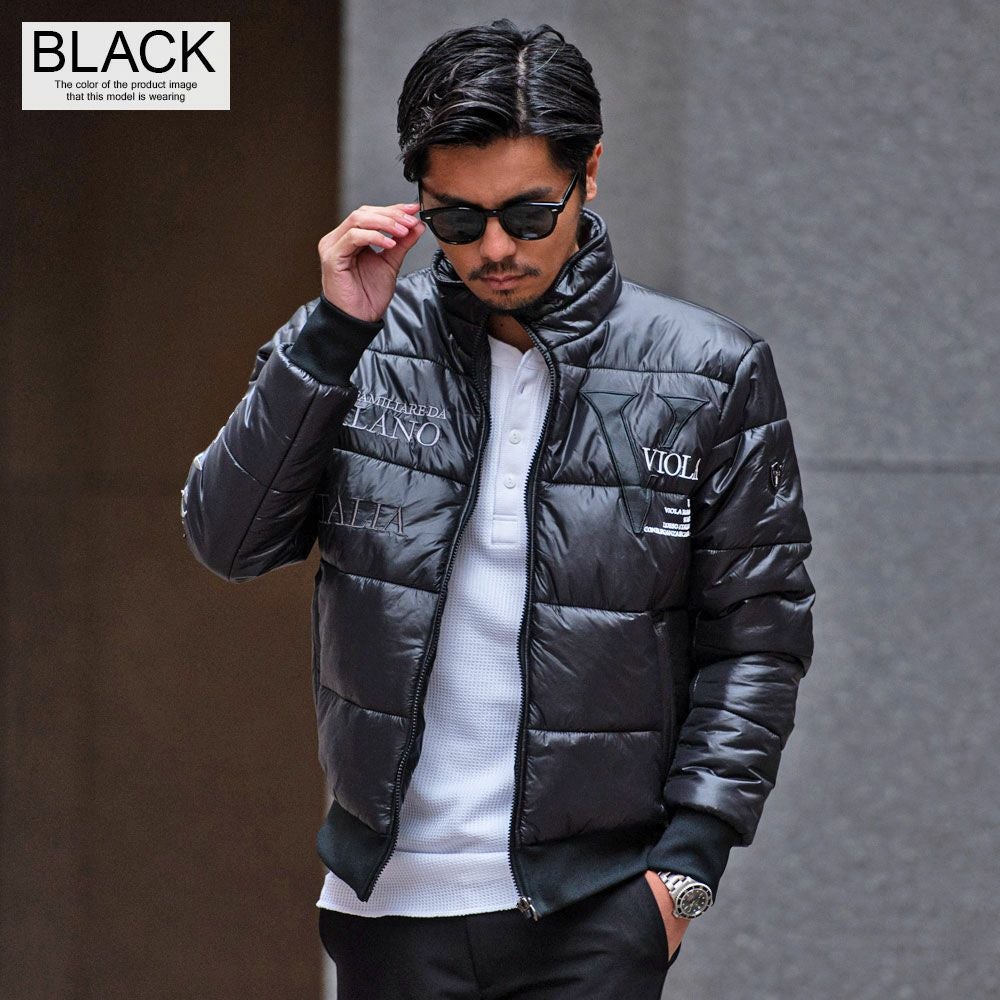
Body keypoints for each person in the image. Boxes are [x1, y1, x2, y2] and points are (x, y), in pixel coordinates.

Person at [181, 19, 815, 999]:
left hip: (596, 912)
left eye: (527, 212)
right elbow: (227, 540)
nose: (495, 248)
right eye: (457, 218)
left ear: (588, 172)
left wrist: (682, 875)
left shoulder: (708, 373)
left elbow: (759, 638)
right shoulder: (356, 348)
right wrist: (332, 339)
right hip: (389, 910)